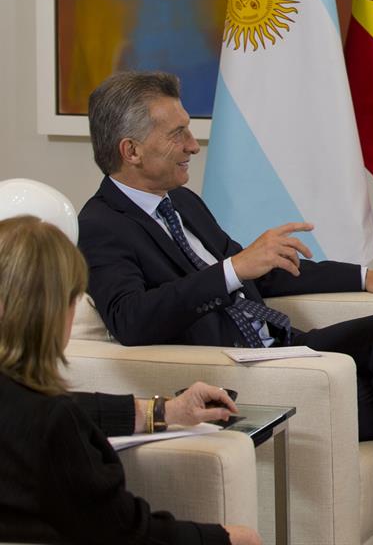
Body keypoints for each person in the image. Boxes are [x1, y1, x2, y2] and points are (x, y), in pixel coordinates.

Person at [77, 71, 373, 545]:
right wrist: (233, 268)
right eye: (176, 133)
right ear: (130, 150)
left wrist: (366, 278)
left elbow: (265, 269)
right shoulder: (100, 224)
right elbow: (131, 318)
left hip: (279, 348)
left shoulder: (183, 203)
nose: (192, 146)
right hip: (238, 375)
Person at [0, 215, 262, 545]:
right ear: (54, 311)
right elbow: (127, 533)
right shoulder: (51, 424)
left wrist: (164, 411)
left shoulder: (34, 411)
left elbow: (63, 410)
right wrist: (226, 538)